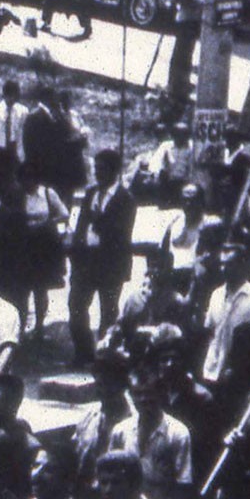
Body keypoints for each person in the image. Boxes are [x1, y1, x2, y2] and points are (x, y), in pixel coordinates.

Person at [67, 149, 137, 367]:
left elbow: (122, 233)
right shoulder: (90, 194)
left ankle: (104, 356)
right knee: (76, 306)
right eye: (95, 169)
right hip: (86, 262)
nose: (98, 174)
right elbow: (80, 225)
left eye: (102, 169)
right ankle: (82, 353)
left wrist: (100, 222)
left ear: (114, 171)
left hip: (110, 264)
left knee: (108, 310)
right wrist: (76, 253)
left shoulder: (125, 198)